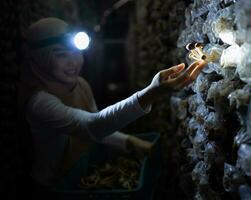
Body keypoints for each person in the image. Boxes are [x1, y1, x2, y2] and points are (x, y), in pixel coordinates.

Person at [18, 17, 205, 197]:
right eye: (61, 55)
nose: (73, 62)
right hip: (53, 189)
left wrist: (129, 142)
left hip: (78, 177)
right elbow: (92, 126)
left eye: (76, 52)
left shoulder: (80, 85)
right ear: (41, 58)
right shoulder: (40, 103)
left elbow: (95, 125)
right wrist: (151, 93)